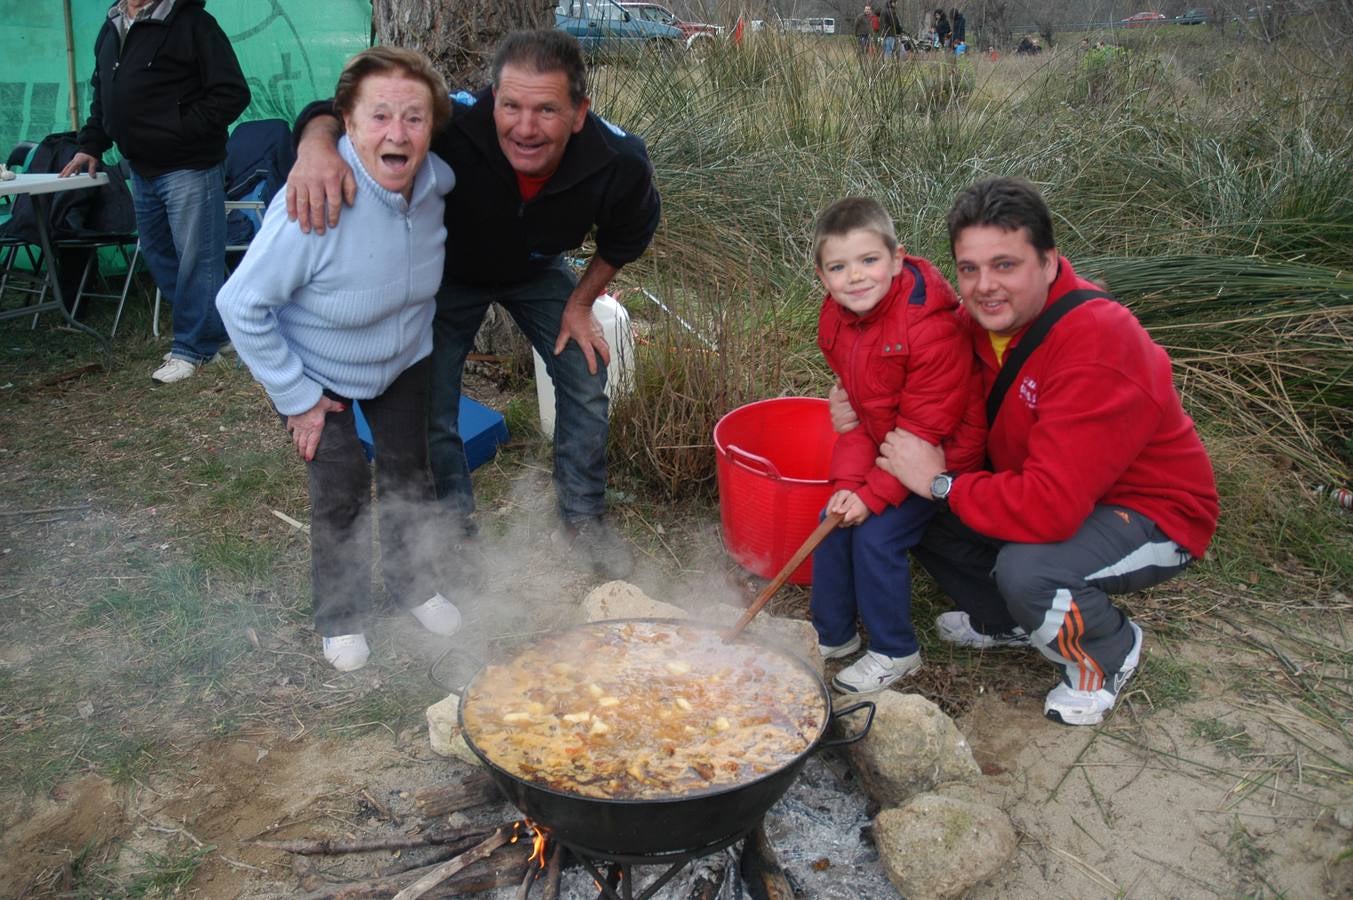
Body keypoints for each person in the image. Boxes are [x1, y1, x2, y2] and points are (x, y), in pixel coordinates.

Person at [286, 30, 660, 579]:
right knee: (431, 402)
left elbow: (627, 237)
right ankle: (454, 529)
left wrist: (581, 304)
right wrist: (314, 148)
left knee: (585, 377)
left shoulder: (619, 158)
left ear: (580, 112)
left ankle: (583, 519)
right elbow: (335, 110)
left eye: (546, 109)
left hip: (538, 269)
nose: (525, 127)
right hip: (447, 274)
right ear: (492, 99)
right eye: (510, 105)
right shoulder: (455, 120)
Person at [855, 177, 1218, 725]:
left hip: (1154, 512)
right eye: (970, 268)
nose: (984, 287)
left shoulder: (1096, 341)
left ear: (1049, 263)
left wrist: (942, 482)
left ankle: (1108, 652)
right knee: (914, 508)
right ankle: (1012, 622)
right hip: (1052, 488)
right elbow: (910, 385)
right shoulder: (974, 326)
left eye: (1006, 265)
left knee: (1030, 570)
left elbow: (1051, 508)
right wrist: (851, 405)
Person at [216, 47, 459, 673]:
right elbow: (239, 305)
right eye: (379, 117)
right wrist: (296, 397)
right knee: (343, 484)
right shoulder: (314, 205)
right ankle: (342, 616)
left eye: (414, 118)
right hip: (319, 368)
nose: (397, 134)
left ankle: (415, 586)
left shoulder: (437, 181)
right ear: (346, 124)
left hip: (404, 359)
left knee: (411, 470)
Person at [809, 198, 985, 694]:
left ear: (897, 257)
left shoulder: (931, 328)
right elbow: (865, 419)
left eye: (869, 261)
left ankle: (895, 649)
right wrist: (848, 486)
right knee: (833, 517)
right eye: (839, 267)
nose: (856, 277)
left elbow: (924, 431)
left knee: (876, 535)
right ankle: (834, 635)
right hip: (891, 444)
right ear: (823, 276)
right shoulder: (837, 321)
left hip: (944, 457)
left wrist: (872, 495)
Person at [61, 0, 249, 384]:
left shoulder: (193, 23)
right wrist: (91, 144)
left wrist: (179, 129)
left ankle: (191, 349)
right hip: (140, 167)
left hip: (189, 164)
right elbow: (103, 91)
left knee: (197, 259)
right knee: (161, 256)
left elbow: (231, 92)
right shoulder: (112, 24)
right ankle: (217, 334)